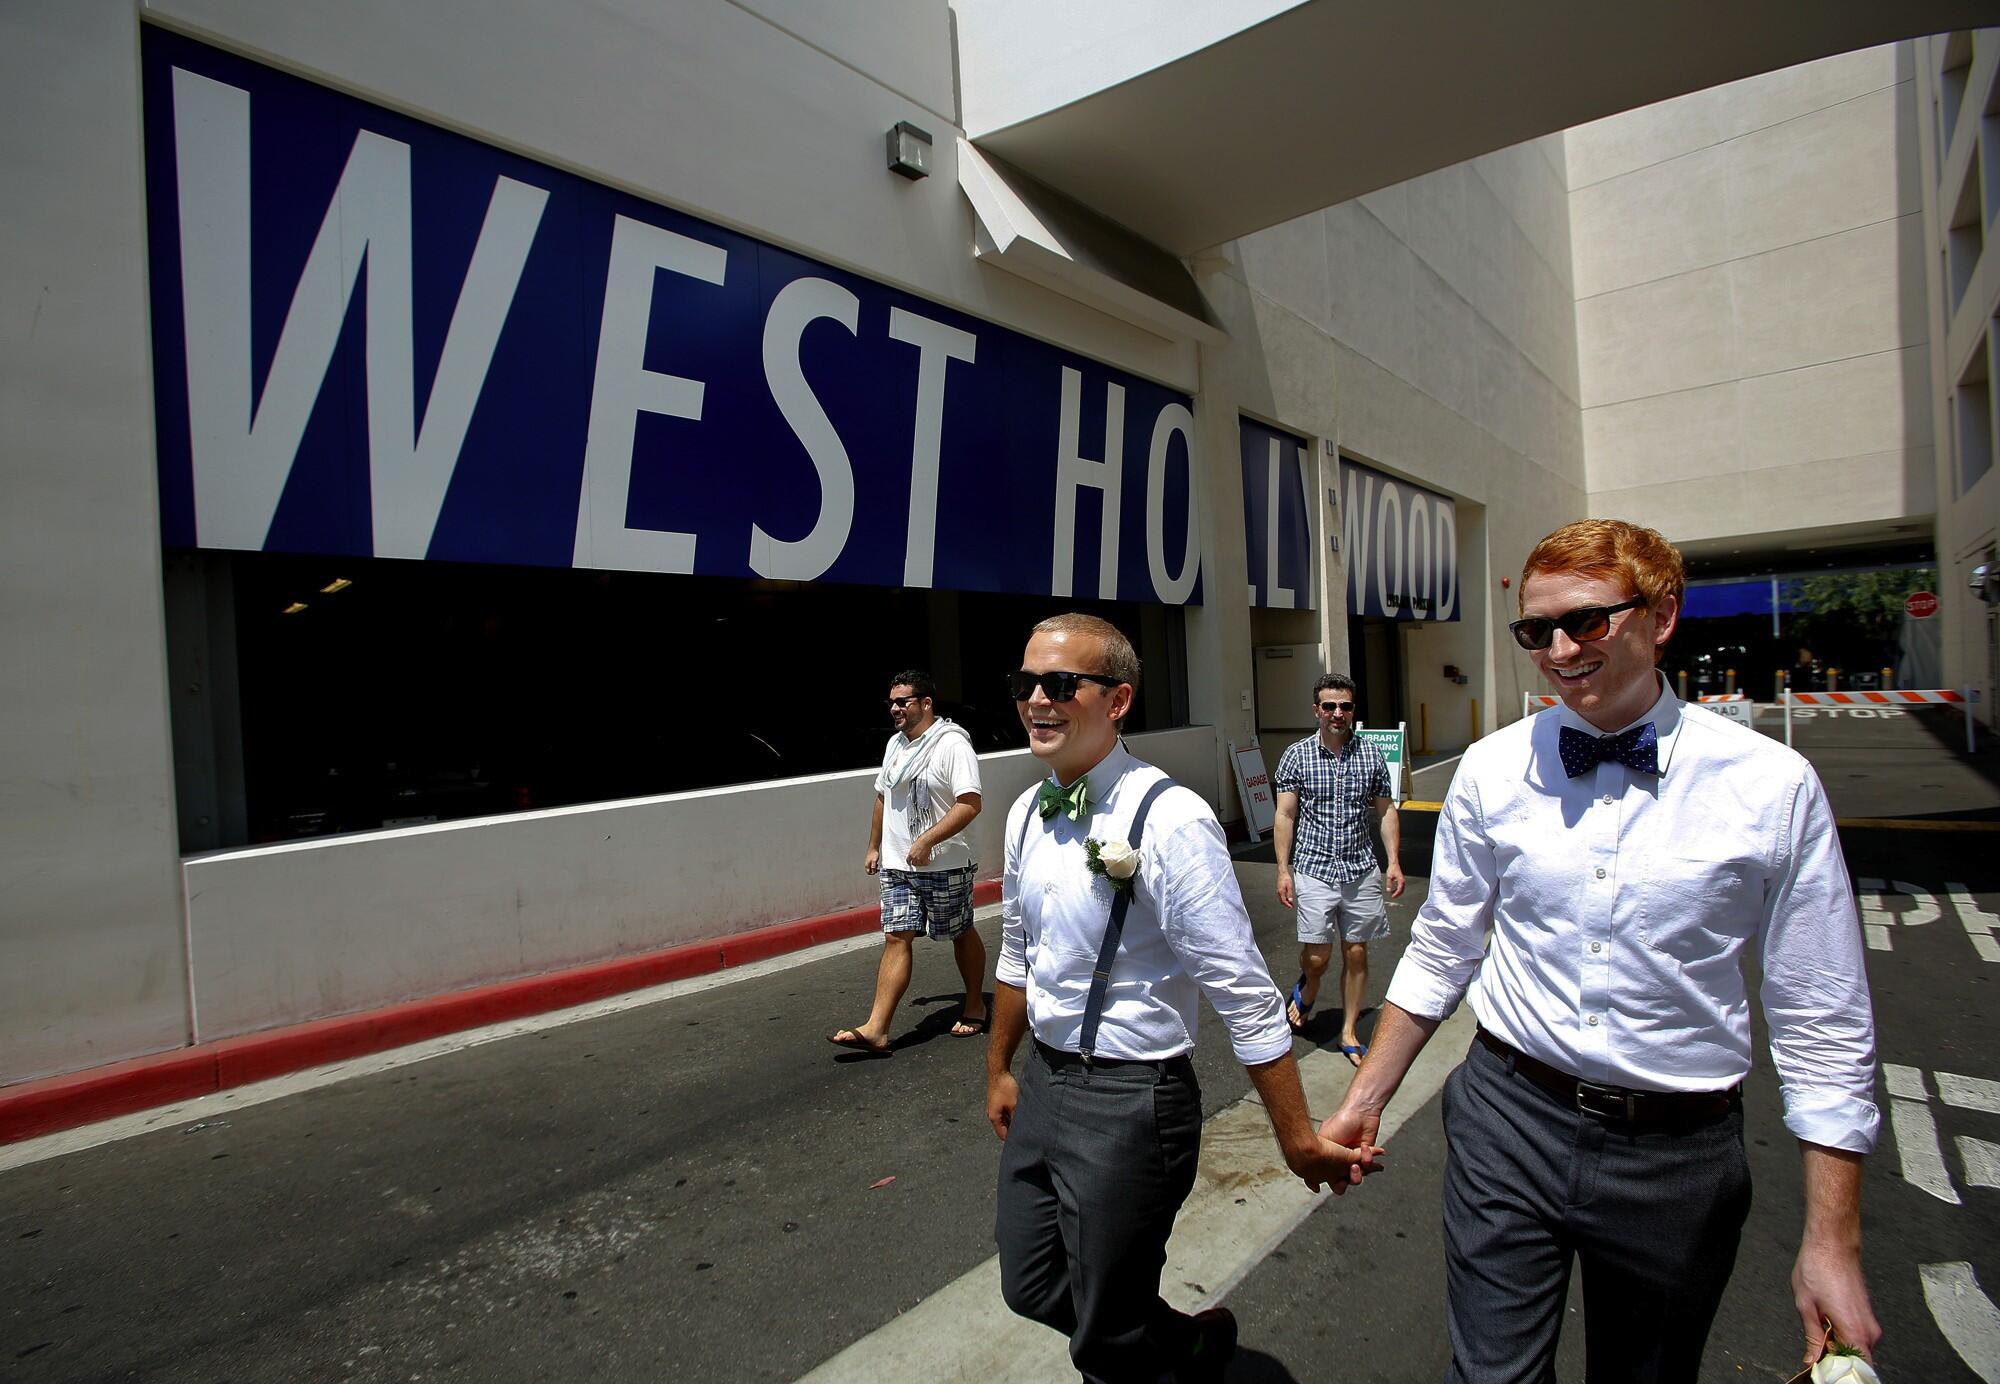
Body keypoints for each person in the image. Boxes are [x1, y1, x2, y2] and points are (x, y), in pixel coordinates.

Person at [1320, 519, 1881, 1382]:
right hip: (1506, 1116)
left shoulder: (1771, 786)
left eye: (1586, 622)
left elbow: (1821, 1014)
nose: (1558, 649)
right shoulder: (1492, 769)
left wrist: (1832, 1241)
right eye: (1535, 631)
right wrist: (1369, 1095)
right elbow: (1444, 945)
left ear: (1661, 615)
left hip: (1678, 1154)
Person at [986, 613, 1379, 1382]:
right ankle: (1174, 1340)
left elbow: (1243, 993)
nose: (1037, 698)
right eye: (1025, 683)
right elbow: (1016, 954)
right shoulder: (1026, 811)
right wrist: (1000, 1066)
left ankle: (1153, 1349)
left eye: (1061, 684)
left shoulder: (1170, 819)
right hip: (1047, 1085)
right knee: (1031, 1282)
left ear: (1119, 698)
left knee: (1105, 1344)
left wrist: (1296, 1139)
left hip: (1133, 1101)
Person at [828, 670, 985, 1055]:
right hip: (899, 866)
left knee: (959, 932)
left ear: (926, 703)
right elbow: (883, 796)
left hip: (944, 864)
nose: (895, 708)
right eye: (891, 703)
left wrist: (928, 839)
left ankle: (976, 1003)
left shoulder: (951, 745)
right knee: (896, 936)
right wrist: (874, 846)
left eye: (903, 701)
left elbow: (970, 803)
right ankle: (877, 1028)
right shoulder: (895, 745)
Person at [1273, 672, 1405, 1061]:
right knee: (1318, 956)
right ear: (1316, 710)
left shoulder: (1371, 755)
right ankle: (1309, 986)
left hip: (1360, 868)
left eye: (1344, 706)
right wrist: (1283, 869)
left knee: (1357, 952)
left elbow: (1385, 811)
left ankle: (1348, 1031)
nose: (1337, 713)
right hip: (1313, 868)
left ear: (1352, 711)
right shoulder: (1296, 755)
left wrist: (1393, 861)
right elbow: (1285, 815)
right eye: (1329, 706)